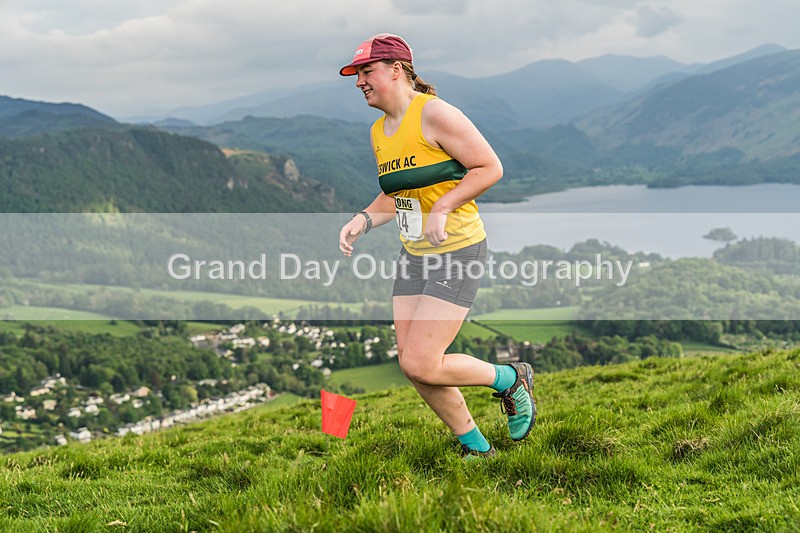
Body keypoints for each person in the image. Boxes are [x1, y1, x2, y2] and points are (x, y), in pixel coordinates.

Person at [337, 33, 536, 458]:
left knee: (422, 361)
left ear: (397, 70)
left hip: (457, 250)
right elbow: (397, 192)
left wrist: (444, 206)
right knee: (413, 364)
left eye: (366, 71)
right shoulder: (378, 131)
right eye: (356, 74)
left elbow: (489, 167)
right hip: (414, 255)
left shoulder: (436, 114)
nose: (359, 82)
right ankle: (477, 448)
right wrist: (363, 219)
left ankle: (510, 379)